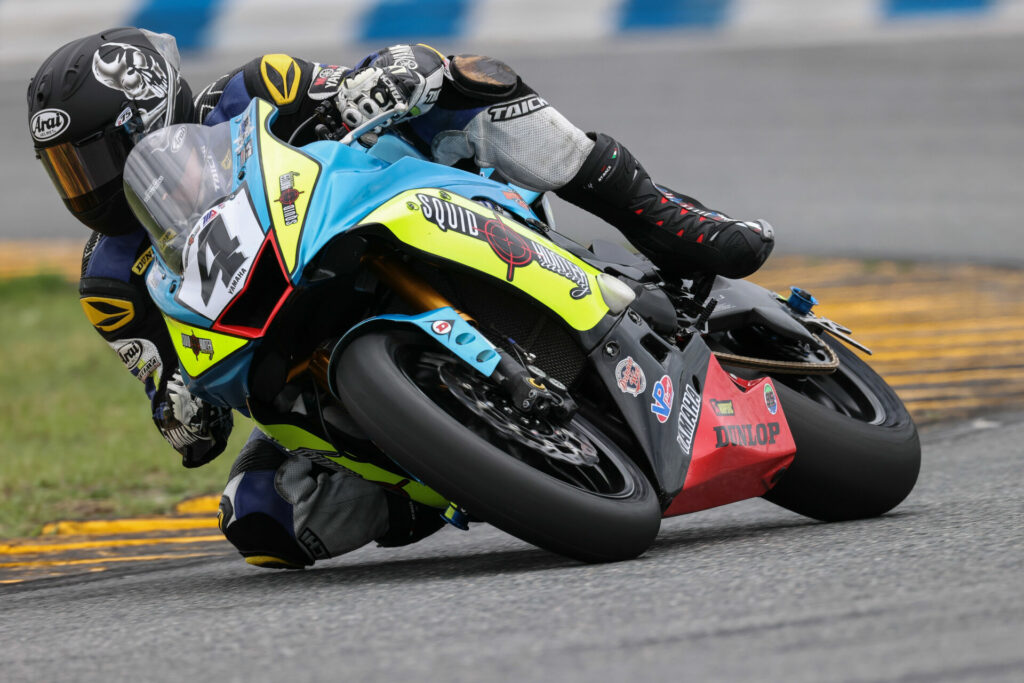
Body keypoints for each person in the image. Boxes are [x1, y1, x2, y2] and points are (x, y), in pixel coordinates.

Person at [27, 28, 775, 569]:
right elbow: (175, 400)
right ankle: (445, 473)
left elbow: (355, 83)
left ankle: (674, 223)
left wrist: (388, 77)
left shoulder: (254, 89)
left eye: (92, 158)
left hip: (386, 215)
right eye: (65, 169)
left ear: (149, 114)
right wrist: (178, 408)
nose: (84, 186)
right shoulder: (109, 283)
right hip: (292, 354)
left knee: (473, 79)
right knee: (257, 519)